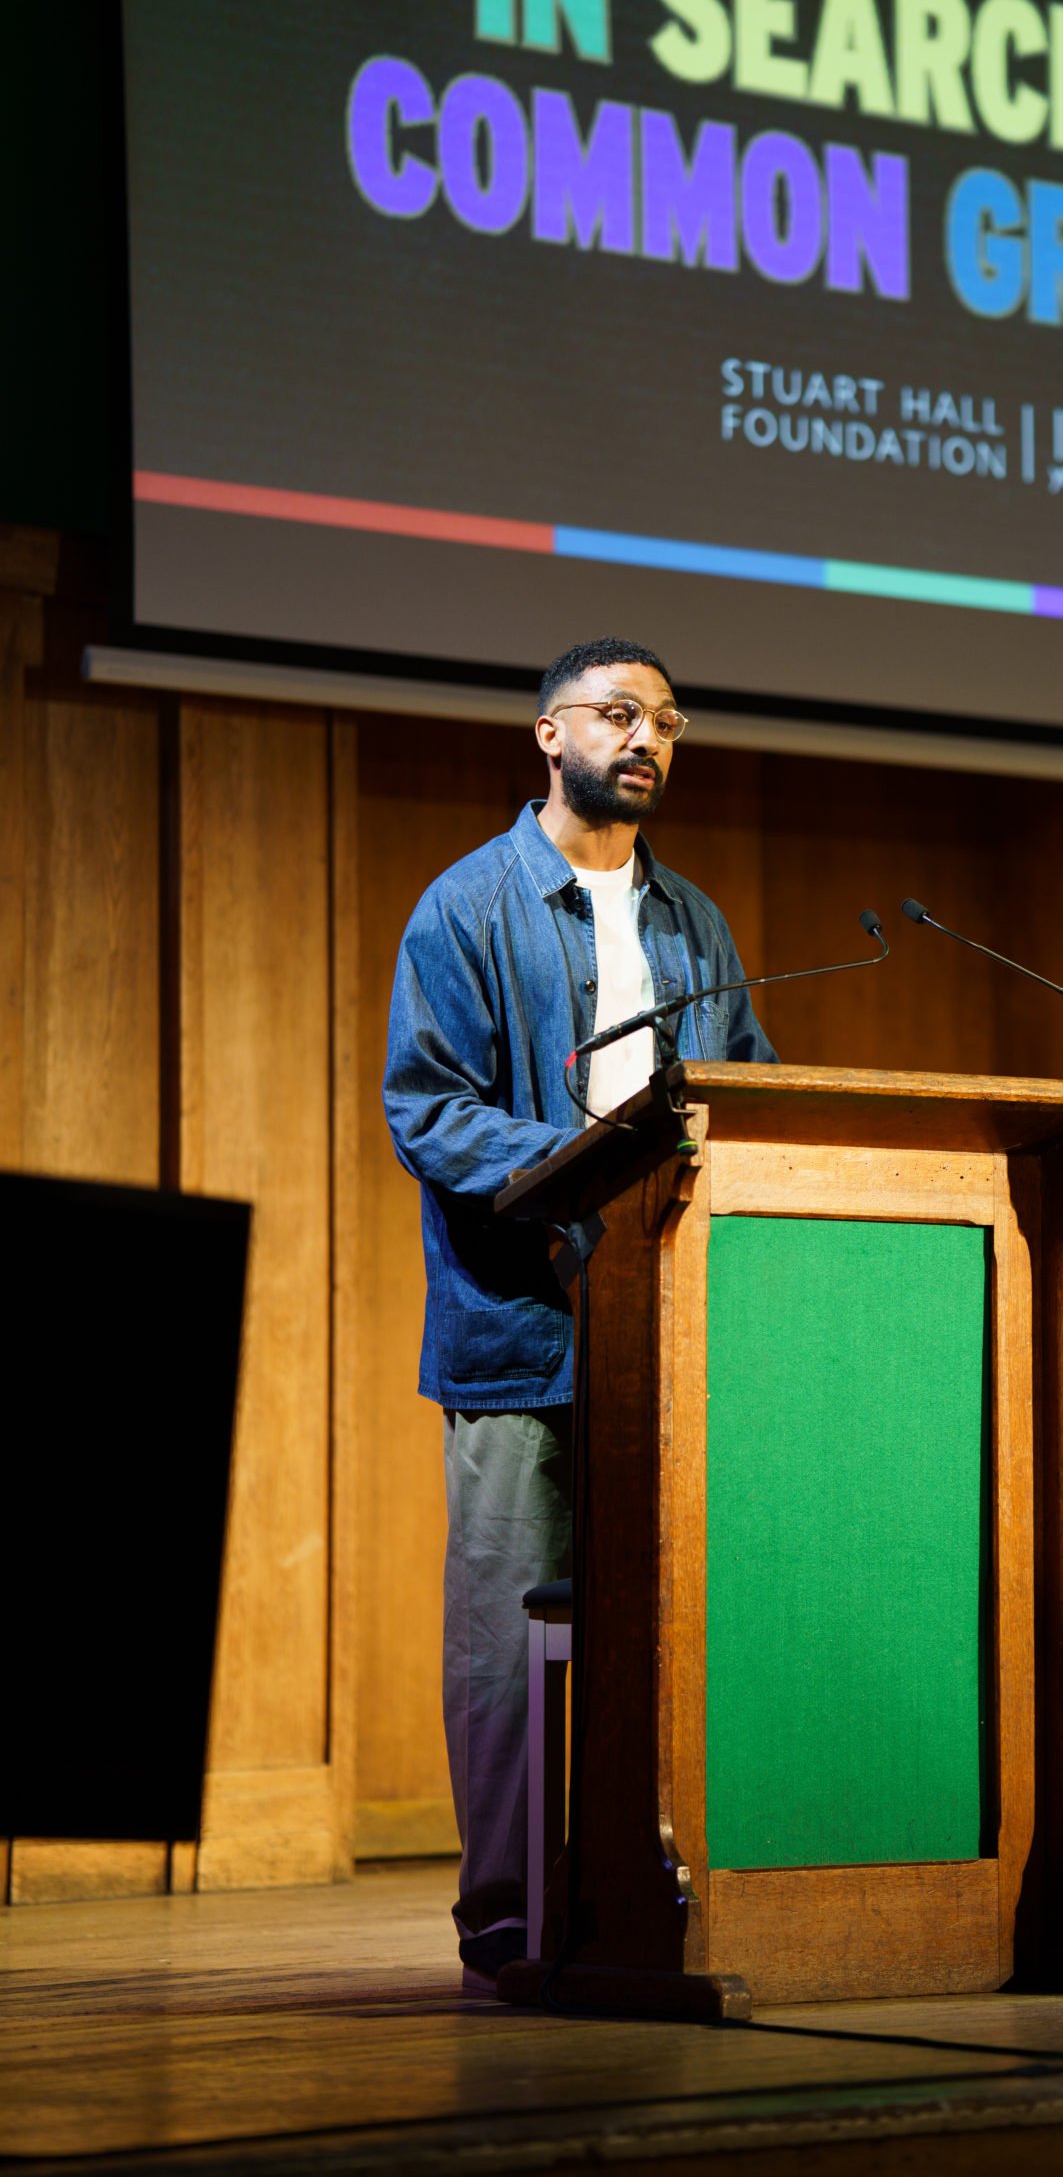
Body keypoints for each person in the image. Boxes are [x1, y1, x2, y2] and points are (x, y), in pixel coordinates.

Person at [383, 637, 776, 1986]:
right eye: (619, 714)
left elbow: (749, 1095)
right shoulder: (469, 906)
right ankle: (508, 1921)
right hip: (520, 1333)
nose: (647, 738)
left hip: (673, 1341)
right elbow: (427, 1107)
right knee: (508, 1641)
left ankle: (653, 1895)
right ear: (549, 736)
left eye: (669, 718)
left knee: (677, 1636)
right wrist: (576, 1201)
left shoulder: (693, 922)